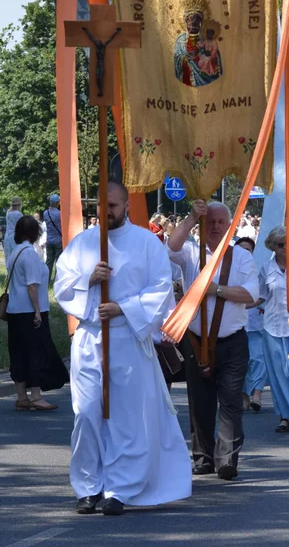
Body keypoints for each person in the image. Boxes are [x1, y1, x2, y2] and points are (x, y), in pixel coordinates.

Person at [54, 182, 191, 516]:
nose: (107, 212)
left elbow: (160, 291)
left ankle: (119, 488)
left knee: (125, 418)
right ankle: (89, 486)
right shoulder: (83, 244)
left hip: (127, 338)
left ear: (127, 205)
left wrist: (122, 308)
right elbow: (61, 285)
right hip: (89, 339)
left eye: (113, 206)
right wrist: (89, 278)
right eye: (102, 206)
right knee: (86, 414)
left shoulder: (146, 243)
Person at [168, 199, 259, 481]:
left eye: (221, 222)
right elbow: (171, 246)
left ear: (230, 226)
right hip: (196, 340)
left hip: (232, 341)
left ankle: (227, 459)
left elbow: (251, 295)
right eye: (211, 222)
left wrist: (216, 289)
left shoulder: (242, 257)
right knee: (200, 401)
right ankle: (203, 457)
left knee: (231, 400)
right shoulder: (191, 252)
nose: (216, 227)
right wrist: (192, 217)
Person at [6, 215, 68, 412]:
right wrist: (38, 312)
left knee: (17, 352)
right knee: (36, 352)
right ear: (35, 233)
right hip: (30, 311)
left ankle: (21, 396)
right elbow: (32, 286)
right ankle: (36, 396)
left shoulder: (15, 252)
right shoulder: (30, 255)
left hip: (14, 310)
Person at [255, 227, 289, 433]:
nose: (285, 248)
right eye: (281, 245)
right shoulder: (266, 269)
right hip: (272, 327)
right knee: (277, 375)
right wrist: (235, 302)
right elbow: (260, 296)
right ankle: (284, 417)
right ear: (273, 247)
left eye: (288, 244)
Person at [236, 236, 266, 414]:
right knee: (242, 361)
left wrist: (243, 303)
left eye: (248, 250)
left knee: (258, 359)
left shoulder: (259, 270)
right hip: (236, 323)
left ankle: (257, 394)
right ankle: (244, 395)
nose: (244, 253)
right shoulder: (228, 271)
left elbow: (262, 295)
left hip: (255, 322)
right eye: (241, 250)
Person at [43, 195, 63, 278]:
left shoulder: (45, 213)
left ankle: (46, 280)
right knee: (58, 261)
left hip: (49, 240)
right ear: (56, 203)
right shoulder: (59, 214)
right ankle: (57, 279)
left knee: (49, 261)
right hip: (58, 240)